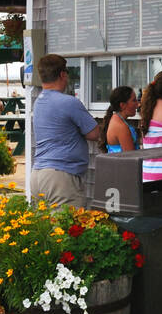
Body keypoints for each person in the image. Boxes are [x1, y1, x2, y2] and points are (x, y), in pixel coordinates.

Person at [29, 53, 100, 207]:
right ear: (62, 74)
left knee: (45, 228)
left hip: (38, 174)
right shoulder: (69, 102)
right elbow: (94, 133)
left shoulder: (39, 102)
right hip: (61, 177)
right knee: (68, 228)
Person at [99, 87, 140, 153]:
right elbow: (131, 157)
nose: (138, 104)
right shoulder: (121, 126)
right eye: (134, 100)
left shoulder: (116, 119)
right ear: (123, 105)